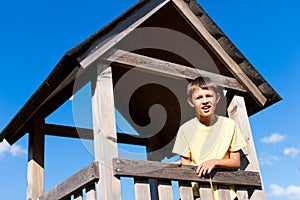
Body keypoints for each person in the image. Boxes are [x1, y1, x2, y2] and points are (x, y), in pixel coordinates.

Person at [172, 76, 247, 200]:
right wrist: (179, 166)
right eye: (199, 97)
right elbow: (185, 164)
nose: (205, 101)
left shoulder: (230, 125)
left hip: (226, 193)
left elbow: (235, 161)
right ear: (191, 102)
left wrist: (214, 162)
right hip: (198, 193)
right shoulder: (185, 130)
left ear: (217, 98)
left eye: (209, 96)